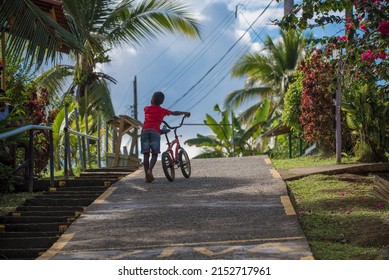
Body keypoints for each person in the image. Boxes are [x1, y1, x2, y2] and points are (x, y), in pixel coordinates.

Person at [141, 91, 190, 183]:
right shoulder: (162, 111)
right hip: (155, 131)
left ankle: (147, 177)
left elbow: (151, 113)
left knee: (146, 154)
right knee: (154, 154)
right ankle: (150, 170)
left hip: (145, 131)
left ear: (152, 99)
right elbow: (174, 113)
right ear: (162, 102)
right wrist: (184, 113)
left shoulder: (146, 108)